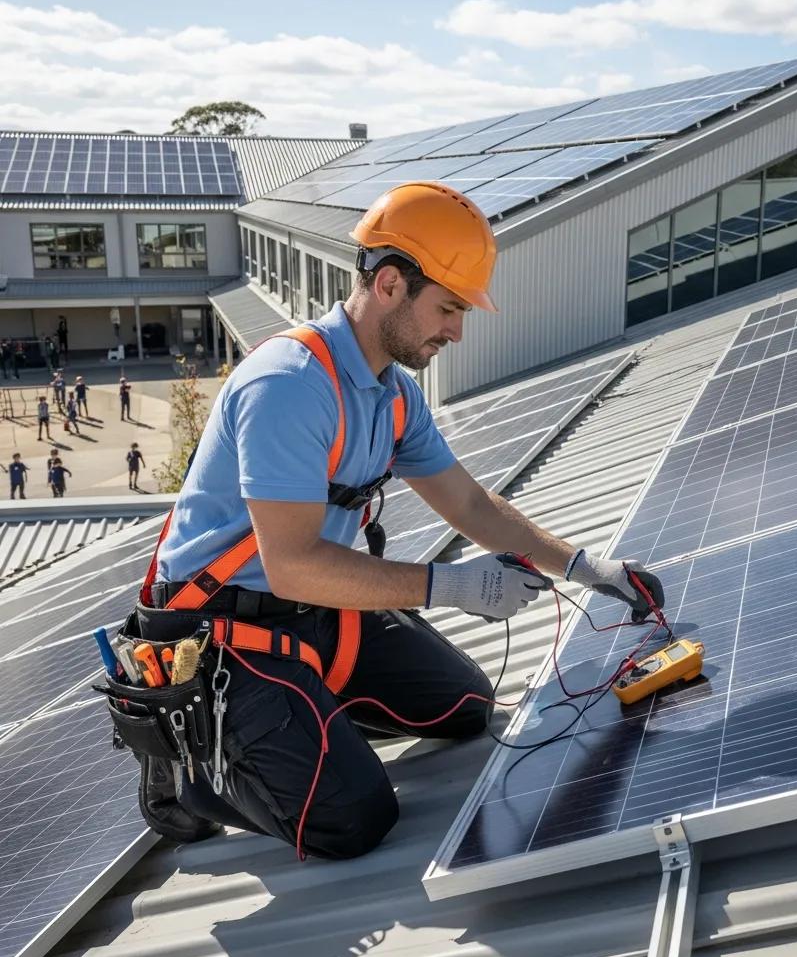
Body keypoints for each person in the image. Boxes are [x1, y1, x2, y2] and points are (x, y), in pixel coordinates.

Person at [138, 182, 665, 855]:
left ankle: (304, 723)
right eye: (448, 307)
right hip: (222, 637)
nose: (457, 330)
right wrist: (453, 588)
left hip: (315, 613)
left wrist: (589, 567)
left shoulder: (393, 395)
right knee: (350, 823)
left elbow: (471, 506)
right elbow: (292, 563)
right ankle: (184, 772)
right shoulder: (290, 385)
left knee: (465, 709)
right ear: (389, 283)